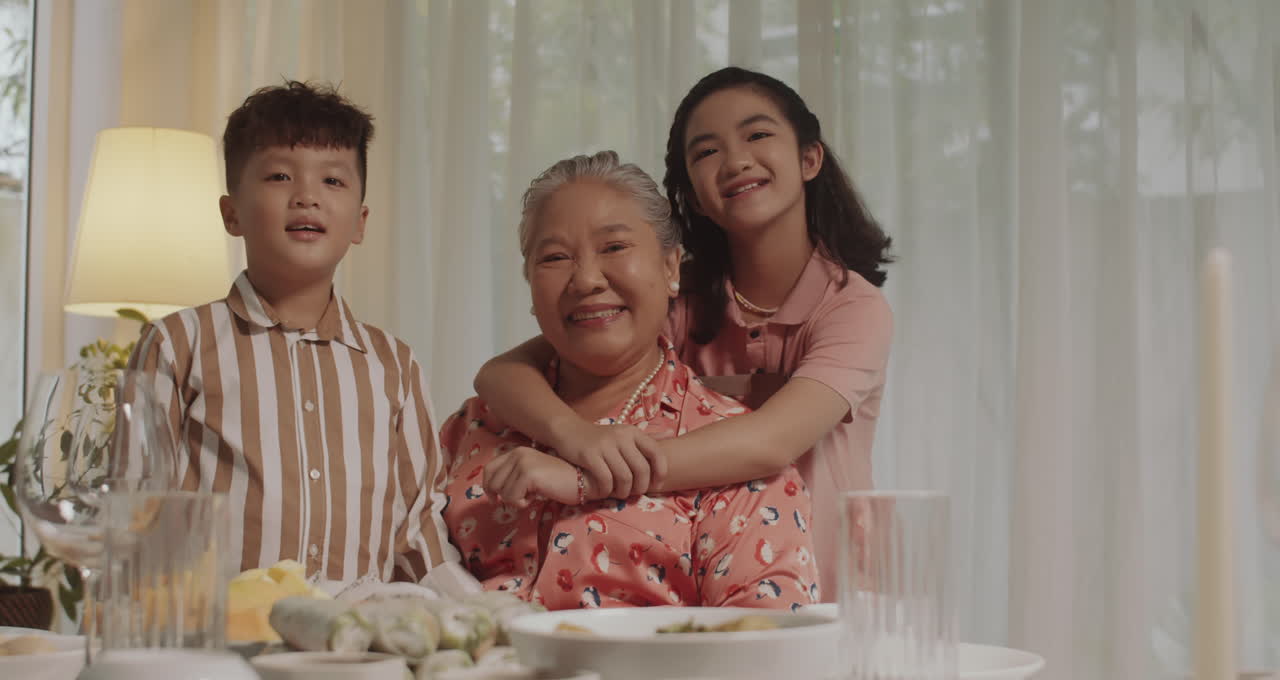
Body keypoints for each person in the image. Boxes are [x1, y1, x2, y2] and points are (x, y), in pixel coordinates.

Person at [474, 67, 893, 600]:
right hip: (704, 576)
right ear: (691, 195)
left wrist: (586, 477)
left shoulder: (853, 308)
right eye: (706, 152)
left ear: (810, 158)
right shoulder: (677, 296)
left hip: (832, 593)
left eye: (757, 135)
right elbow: (505, 371)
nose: (736, 160)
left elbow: (769, 443)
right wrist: (575, 434)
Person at [441, 151, 817, 610]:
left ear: (671, 268)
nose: (586, 279)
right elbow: (393, 580)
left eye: (614, 247)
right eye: (555, 257)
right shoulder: (472, 428)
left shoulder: (737, 463)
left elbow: (762, 645)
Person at [127, 80, 460, 585]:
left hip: (349, 648)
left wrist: (470, 613)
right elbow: (137, 510)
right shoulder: (178, 344)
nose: (307, 196)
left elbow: (415, 527)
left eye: (333, 181)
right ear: (231, 213)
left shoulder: (394, 364)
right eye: (280, 175)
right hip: (220, 644)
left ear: (360, 222)